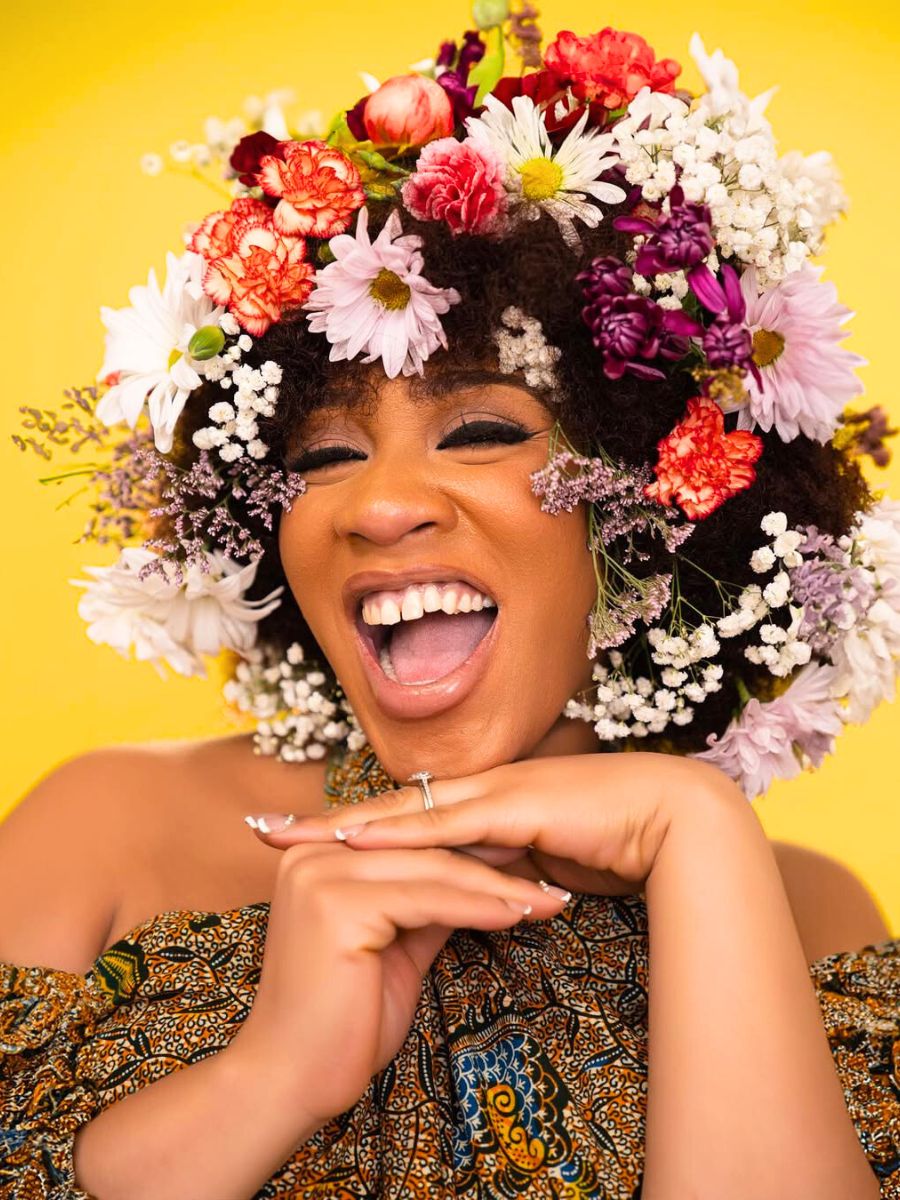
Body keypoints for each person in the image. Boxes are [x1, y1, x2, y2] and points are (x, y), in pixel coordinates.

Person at [2, 10, 899, 1200]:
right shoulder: (107, 831)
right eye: (320, 460)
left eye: (478, 431)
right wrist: (264, 1082)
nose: (377, 510)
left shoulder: (809, 915)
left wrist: (696, 832)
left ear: (649, 504)